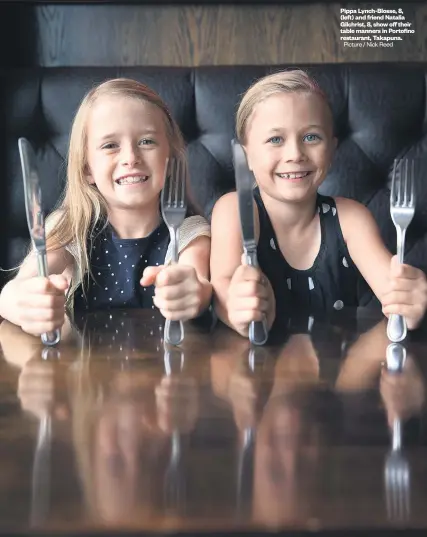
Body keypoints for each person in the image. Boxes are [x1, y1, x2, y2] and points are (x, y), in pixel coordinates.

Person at [210, 69, 427, 338]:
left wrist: (408, 298)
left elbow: (390, 287)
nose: (295, 154)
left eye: (311, 137)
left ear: (332, 150)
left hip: (341, 371)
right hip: (256, 371)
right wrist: (237, 306)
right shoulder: (234, 210)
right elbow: (222, 288)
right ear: (247, 157)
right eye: (275, 139)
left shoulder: (351, 218)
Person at [0, 78, 212, 336]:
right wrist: (23, 302)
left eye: (146, 141)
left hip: (169, 371)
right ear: (87, 168)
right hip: (83, 372)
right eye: (110, 145)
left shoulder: (189, 231)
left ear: (170, 160)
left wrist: (194, 293)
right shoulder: (70, 227)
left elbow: (198, 283)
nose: (131, 158)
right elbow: (15, 290)